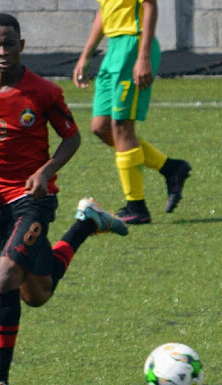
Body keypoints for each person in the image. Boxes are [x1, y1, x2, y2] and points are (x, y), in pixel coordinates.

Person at [0, 13, 129, 385]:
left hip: (35, 200)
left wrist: (46, 170)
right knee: (36, 294)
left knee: (4, 277)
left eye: (9, 43)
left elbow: (71, 137)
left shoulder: (43, 92)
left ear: (22, 45)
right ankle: (86, 223)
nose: (3, 51)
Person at [72, 0, 191, 224]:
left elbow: (150, 6)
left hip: (134, 44)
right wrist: (86, 55)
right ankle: (171, 168)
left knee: (122, 125)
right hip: (114, 49)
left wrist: (143, 56)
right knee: (100, 127)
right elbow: (103, 12)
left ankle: (136, 207)